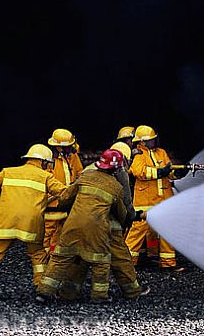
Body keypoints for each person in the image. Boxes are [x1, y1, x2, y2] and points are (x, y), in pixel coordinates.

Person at [58, 142, 148, 300]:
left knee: (80, 257)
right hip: (109, 224)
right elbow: (126, 202)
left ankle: (68, 292)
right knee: (120, 258)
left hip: (83, 221)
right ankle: (132, 291)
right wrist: (131, 217)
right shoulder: (120, 172)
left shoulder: (88, 170)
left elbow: (71, 195)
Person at [37, 149, 128, 302]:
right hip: (97, 230)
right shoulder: (116, 187)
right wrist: (128, 219)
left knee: (60, 258)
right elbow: (121, 213)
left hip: (72, 226)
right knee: (101, 262)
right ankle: (99, 296)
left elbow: (65, 198)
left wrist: (68, 208)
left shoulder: (85, 176)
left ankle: (44, 292)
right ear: (116, 168)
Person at [0, 145, 66, 293]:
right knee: (38, 255)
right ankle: (42, 288)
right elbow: (64, 193)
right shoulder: (46, 177)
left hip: (5, 223)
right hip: (31, 225)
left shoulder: (8, 172)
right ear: (43, 162)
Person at [125, 125, 187, 271]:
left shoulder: (161, 152)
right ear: (142, 141)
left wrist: (177, 173)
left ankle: (168, 263)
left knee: (167, 230)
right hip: (145, 201)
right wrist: (160, 172)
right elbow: (139, 172)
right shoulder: (138, 154)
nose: (153, 142)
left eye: (154, 139)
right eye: (150, 140)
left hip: (164, 200)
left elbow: (168, 171)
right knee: (138, 231)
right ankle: (126, 263)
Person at [43, 128, 84, 254]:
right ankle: (44, 256)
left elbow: (79, 172)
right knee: (49, 230)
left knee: (64, 229)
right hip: (52, 202)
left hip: (68, 200)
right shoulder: (48, 160)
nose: (70, 148)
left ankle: (56, 254)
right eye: (67, 146)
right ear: (58, 147)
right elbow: (44, 179)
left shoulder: (73, 156)